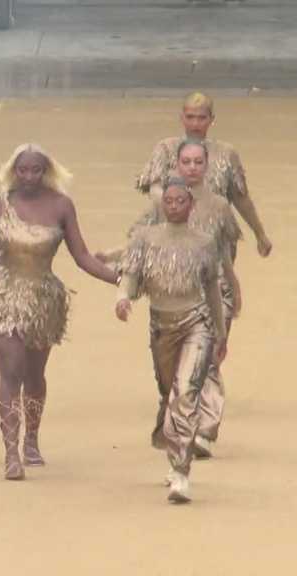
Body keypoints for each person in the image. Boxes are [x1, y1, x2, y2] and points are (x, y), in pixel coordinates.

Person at [0, 143, 120, 480]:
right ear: (13, 171)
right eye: (23, 169)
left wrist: (121, 279)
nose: (29, 176)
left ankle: (32, 438)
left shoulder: (62, 206)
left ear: (46, 172)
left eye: (36, 170)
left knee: (34, 376)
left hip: (43, 300)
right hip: (3, 297)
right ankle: (11, 452)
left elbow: (83, 256)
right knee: (10, 370)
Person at [103, 140, 242, 458]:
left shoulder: (219, 206)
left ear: (207, 165)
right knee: (172, 382)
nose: (192, 168)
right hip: (166, 301)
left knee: (204, 366)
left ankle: (203, 431)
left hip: (210, 291)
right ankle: (176, 423)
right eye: (186, 162)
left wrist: (233, 285)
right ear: (176, 165)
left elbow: (224, 252)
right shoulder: (160, 207)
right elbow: (138, 245)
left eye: (198, 162)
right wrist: (117, 273)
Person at [115, 181, 227, 503]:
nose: (174, 205)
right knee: (169, 392)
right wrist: (122, 299)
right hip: (162, 325)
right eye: (169, 201)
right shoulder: (145, 240)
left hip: (197, 322)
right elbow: (131, 275)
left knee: (186, 394)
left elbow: (213, 291)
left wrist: (219, 333)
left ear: (190, 205)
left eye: (181, 201)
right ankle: (173, 448)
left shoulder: (204, 243)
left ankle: (181, 471)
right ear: (162, 204)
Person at [135, 91, 273, 258]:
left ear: (211, 119)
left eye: (201, 118)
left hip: (215, 238)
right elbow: (155, 191)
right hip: (172, 238)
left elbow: (240, 198)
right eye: (190, 117)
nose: (195, 124)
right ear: (182, 118)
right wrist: (176, 214)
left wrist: (260, 233)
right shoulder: (165, 148)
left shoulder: (227, 153)